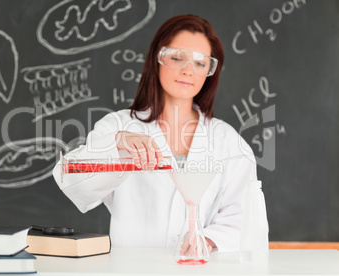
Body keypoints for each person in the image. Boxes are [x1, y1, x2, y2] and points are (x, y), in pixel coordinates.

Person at [53, 14, 268, 253]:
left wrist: (208, 240)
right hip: (130, 268)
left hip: (197, 269)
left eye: (200, 63)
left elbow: (244, 220)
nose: (188, 70)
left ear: (210, 71)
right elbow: (72, 179)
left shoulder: (229, 142)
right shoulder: (119, 126)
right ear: (157, 59)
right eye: (177, 58)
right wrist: (117, 144)